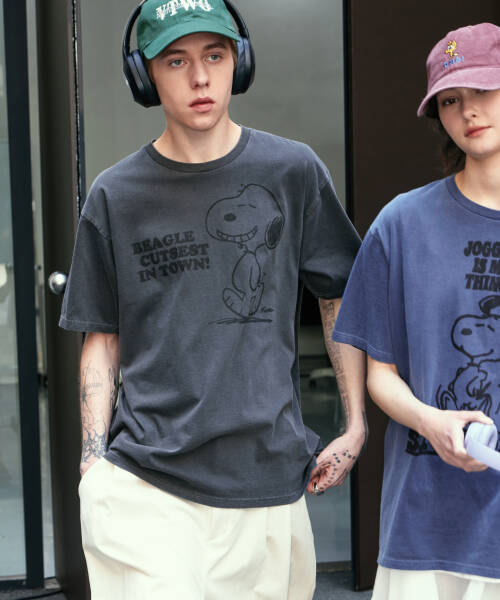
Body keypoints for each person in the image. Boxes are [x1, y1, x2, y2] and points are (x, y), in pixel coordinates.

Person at [59, 0, 367, 597]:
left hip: (268, 476)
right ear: (145, 75)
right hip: (145, 479)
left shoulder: (292, 171)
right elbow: (101, 336)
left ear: (238, 63)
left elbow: (338, 297)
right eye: (176, 60)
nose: (200, 77)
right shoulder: (116, 195)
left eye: (215, 56)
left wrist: (354, 425)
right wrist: (93, 459)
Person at [333, 23, 500, 600]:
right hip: (425, 518)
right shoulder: (402, 224)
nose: (468, 111)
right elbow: (379, 373)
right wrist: (432, 423)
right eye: (450, 100)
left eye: (484, 89)